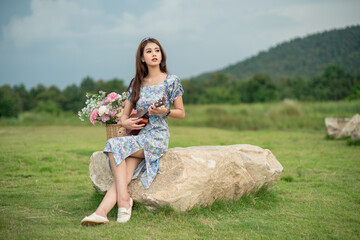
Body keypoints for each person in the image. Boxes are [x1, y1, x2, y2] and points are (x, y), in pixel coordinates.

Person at [81, 37, 185, 226]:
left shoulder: (171, 81)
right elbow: (123, 116)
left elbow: (181, 113)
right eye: (149, 51)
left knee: (113, 145)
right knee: (125, 174)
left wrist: (164, 111)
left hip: (157, 137)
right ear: (142, 58)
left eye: (157, 50)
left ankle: (122, 202)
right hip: (138, 137)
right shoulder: (136, 83)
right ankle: (102, 212)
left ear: (162, 55)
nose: (154, 54)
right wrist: (127, 124)